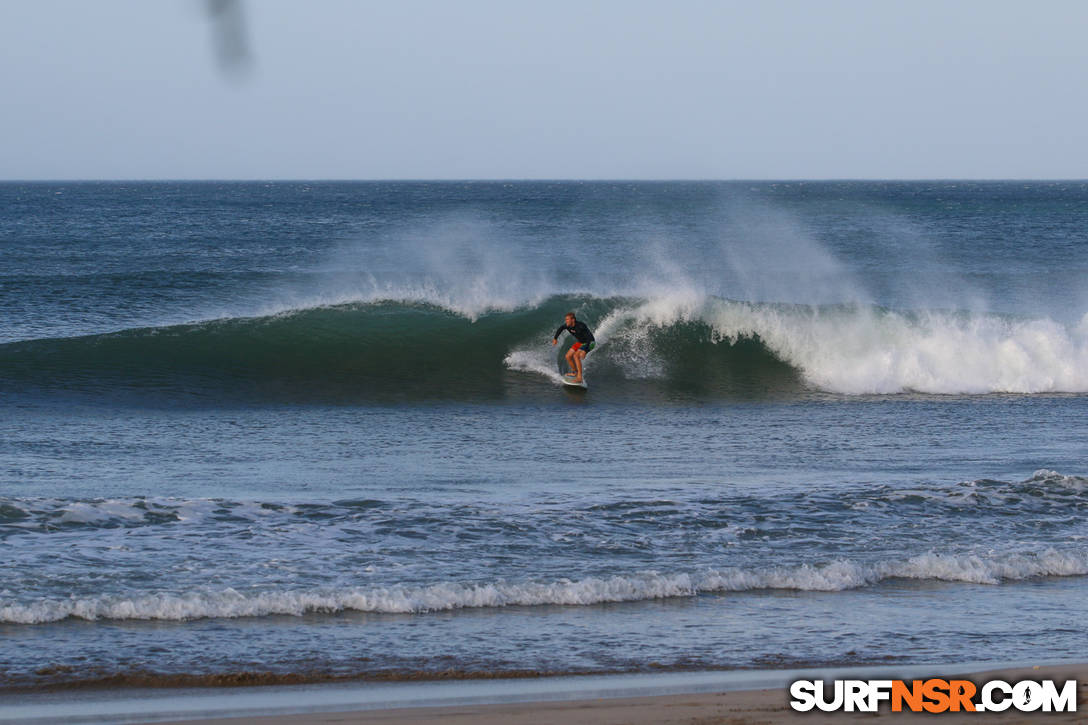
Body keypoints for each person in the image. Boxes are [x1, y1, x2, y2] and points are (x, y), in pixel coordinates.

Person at [551, 312, 595, 383]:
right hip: (581, 342)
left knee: (576, 356)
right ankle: (575, 372)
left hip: (590, 343)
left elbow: (589, 339)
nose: (566, 321)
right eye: (566, 319)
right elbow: (561, 328)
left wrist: (585, 350)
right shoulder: (568, 326)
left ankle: (579, 377)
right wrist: (555, 338)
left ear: (573, 320)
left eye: (567, 319)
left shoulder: (581, 326)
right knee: (568, 356)